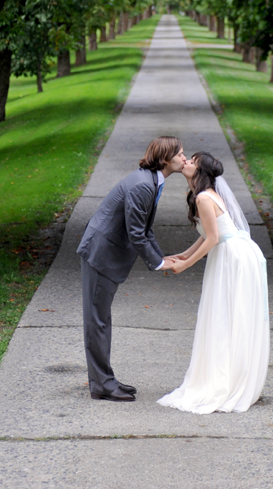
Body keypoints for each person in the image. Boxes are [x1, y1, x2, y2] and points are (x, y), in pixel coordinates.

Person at [77, 136, 186, 402]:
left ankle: (105, 379)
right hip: (100, 254)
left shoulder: (150, 181)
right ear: (165, 160)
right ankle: (102, 384)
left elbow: (145, 229)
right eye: (180, 154)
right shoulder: (142, 186)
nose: (185, 158)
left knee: (101, 319)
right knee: (97, 321)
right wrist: (159, 264)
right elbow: (136, 234)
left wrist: (163, 256)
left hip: (105, 253)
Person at [159, 151, 270, 414]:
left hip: (234, 259)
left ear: (200, 172)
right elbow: (211, 232)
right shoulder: (203, 195)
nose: (185, 161)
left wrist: (186, 265)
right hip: (231, 254)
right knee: (225, 315)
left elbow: (212, 239)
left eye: (191, 161)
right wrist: (183, 254)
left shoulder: (203, 197)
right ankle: (230, 375)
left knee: (227, 316)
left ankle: (228, 380)